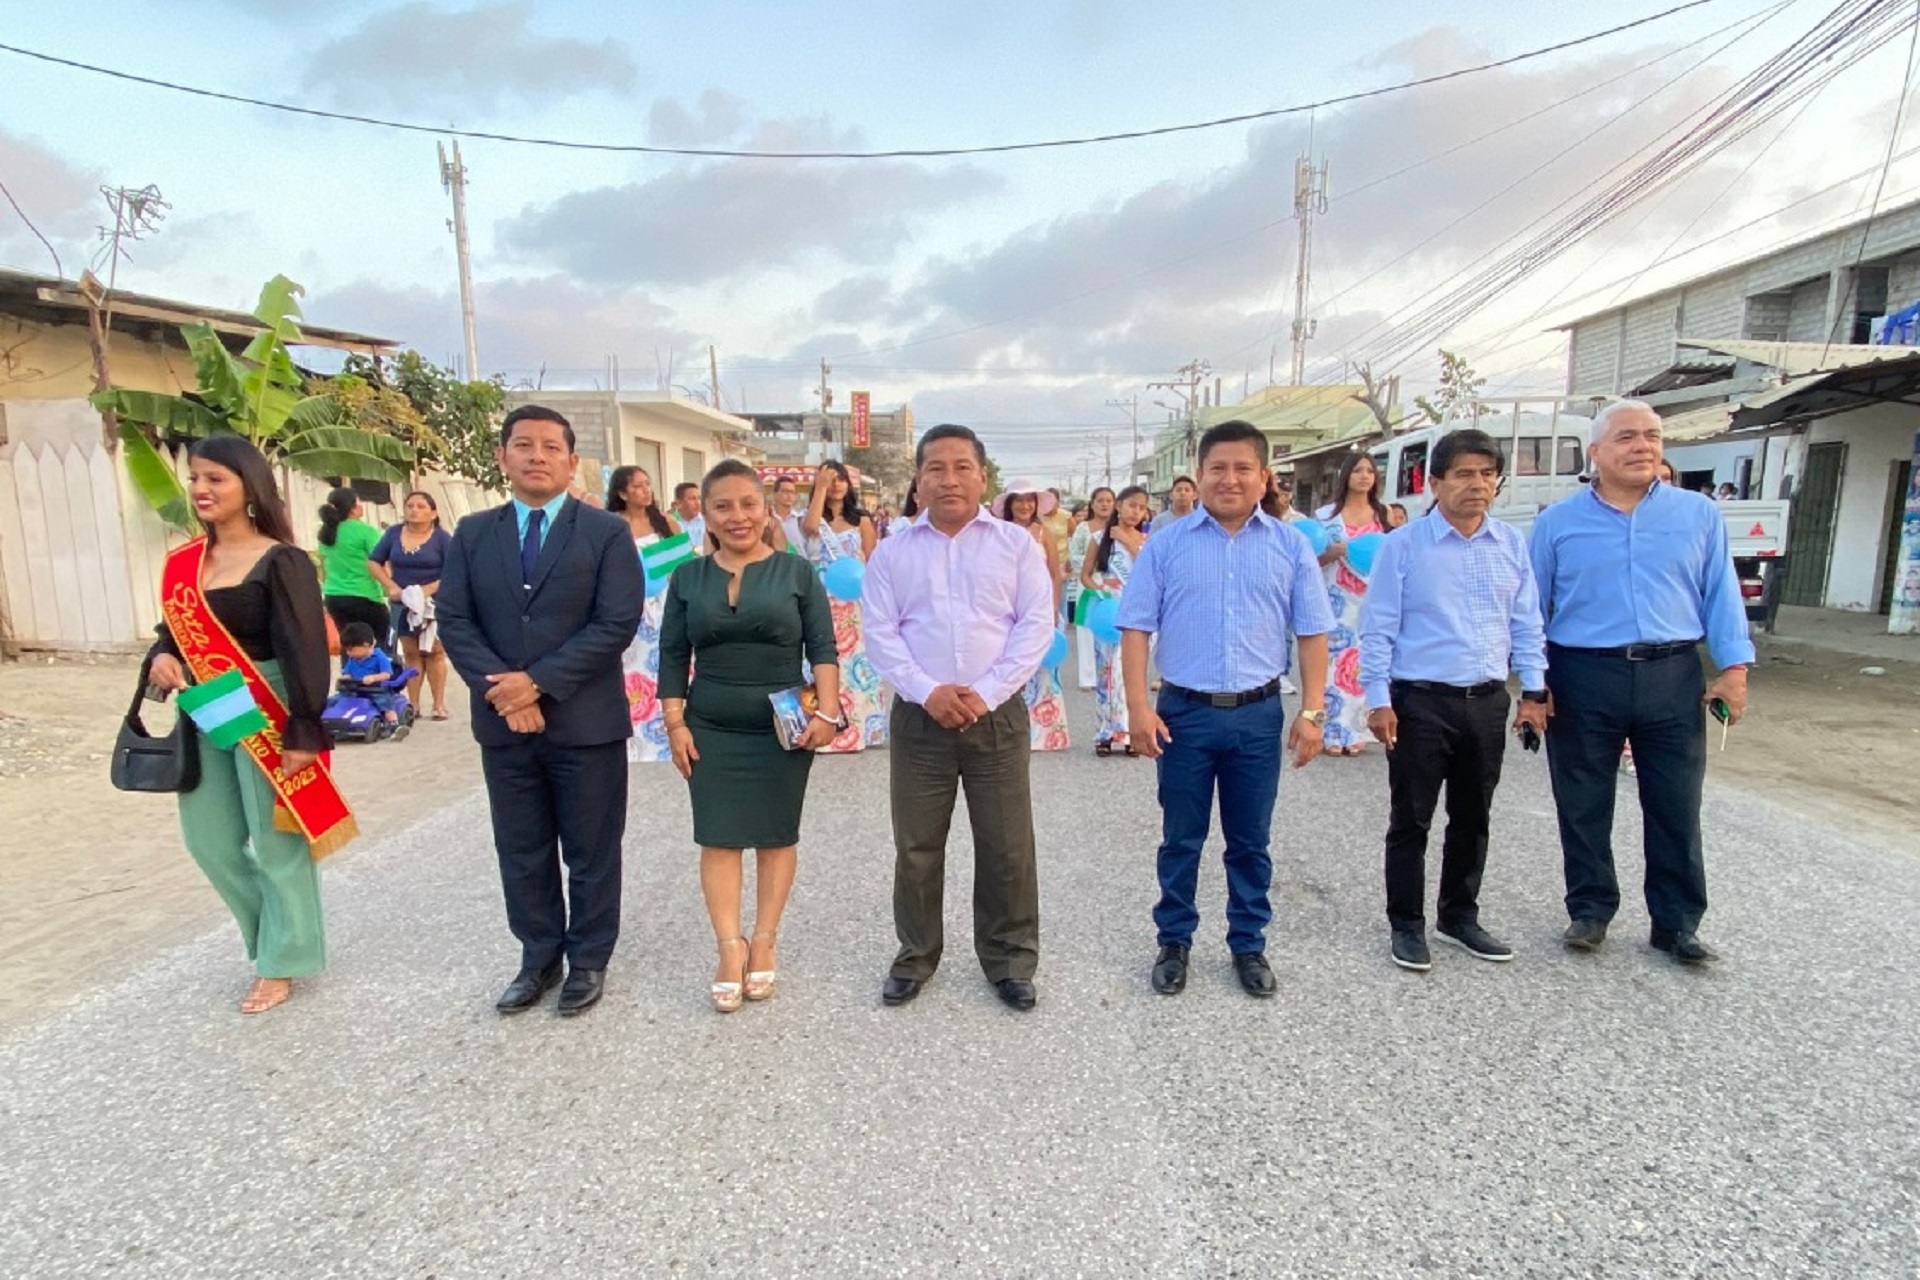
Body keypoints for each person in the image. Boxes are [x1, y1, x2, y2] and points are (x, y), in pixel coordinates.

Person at [437, 405, 645, 1017]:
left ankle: (589, 959)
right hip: (504, 725)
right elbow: (455, 619)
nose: (537, 456)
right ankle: (538, 957)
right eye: (523, 445)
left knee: (591, 848)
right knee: (521, 848)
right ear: (502, 457)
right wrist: (504, 693)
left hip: (585, 723)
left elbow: (616, 622)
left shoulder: (605, 533)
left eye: (551, 447)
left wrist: (536, 684)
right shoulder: (474, 533)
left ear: (571, 461)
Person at [1530, 400, 1753, 966]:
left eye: (1652, 436)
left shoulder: (1698, 515)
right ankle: (1590, 909)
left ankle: (1676, 924)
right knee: (1583, 799)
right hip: (1582, 673)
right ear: (1596, 452)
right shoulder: (1557, 523)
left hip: (1672, 674)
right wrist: (1534, 683)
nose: (1643, 446)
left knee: (1676, 801)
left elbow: (1721, 594)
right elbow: (1529, 609)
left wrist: (1734, 669)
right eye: (1627, 437)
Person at [1117, 420, 1332, 998]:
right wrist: (1138, 708)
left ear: (1264, 477)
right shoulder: (1167, 545)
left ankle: (1248, 943)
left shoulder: (1290, 546)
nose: (1229, 479)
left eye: (1243, 468)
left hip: (1258, 716)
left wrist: (1313, 712)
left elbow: (1313, 633)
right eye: (1218, 468)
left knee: (1250, 840)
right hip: (1183, 714)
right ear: (1200, 474)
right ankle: (1174, 941)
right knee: (1181, 837)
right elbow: (1135, 629)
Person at [145, 435, 352, 1015]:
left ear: (250, 486)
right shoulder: (184, 563)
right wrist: (160, 658)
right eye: (195, 478)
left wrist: (304, 727)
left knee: (276, 837)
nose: (201, 489)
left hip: (269, 702)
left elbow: (305, 648)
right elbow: (170, 635)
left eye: (216, 478)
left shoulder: (281, 560)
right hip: (206, 703)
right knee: (208, 840)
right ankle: (273, 936)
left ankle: (281, 957)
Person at [864, 424, 1055, 1012]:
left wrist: (987, 692)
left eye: (962, 467)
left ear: (982, 477)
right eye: (936, 468)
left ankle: (1010, 960)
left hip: (995, 715)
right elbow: (880, 633)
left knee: (1007, 846)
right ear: (918, 481)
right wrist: (927, 692)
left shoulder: (1015, 546)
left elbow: (1035, 624)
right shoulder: (893, 551)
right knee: (917, 845)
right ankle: (915, 955)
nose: (949, 479)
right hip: (920, 718)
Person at [1358, 429, 1549, 973]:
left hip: (1487, 701)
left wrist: (1534, 691)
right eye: (1464, 474)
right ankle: (1406, 924)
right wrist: (1378, 699)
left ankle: (1459, 916)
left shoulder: (1510, 544)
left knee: (1473, 816)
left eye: (1488, 474)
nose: (1477, 485)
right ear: (1435, 483)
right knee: (1411, 818)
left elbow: (1526, 623)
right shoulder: (1404, 546)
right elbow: (1378, 628)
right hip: (1420, 702)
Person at [660, 460, 842, 1012]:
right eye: (723, 506)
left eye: (747, 504)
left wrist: (828, 713)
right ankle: (728, 947)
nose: (736, 516)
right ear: (706, 515)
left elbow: (823, 648)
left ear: (765, 510)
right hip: (709, 726)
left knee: (775, 836)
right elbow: (673, 656)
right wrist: (675, 724)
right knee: (717, 838)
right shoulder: (687, 578)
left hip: (783, 727)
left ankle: (763, 939)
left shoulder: (796, 573)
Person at [800, 459, 888, 751]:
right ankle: (820, 723)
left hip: (852, 602)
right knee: (821, 658)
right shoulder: (813, 517)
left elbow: (872, 562)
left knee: (854, 661)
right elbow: (810, 529)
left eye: (840, 479)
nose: (836, 485)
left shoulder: (862, 520)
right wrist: (820, 489)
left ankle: (858, 727)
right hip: (820, 598)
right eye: (830, 479)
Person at [1314, 452, 1390, 756]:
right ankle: (1329, 730)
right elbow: (1309, 559)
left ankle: (1356, 730)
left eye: (1370, 471)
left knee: (1363, 664)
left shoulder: (1383, 514)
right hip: (1335, 598)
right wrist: (1330, 554)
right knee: (1332, 666)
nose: (1364, 476)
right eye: (1358, 470)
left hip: (1370, 600)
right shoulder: (1327, 517)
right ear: (1346, 475)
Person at [606, 465, 683, 764]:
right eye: (637, 486)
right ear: (622, 493)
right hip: (627, 606)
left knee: (666, 666)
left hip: (664, 605)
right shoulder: (612, 525)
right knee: (632, 672)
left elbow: (681, 569)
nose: (645, 491)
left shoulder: (666, 523)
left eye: (647, 484)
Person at [994, 480, 1071, 751]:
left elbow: (1054, 574)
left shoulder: (1043, 533)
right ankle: (1010, 731)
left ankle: (1045, 733)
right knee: (1010, 669)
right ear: (1010, 504)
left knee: (1044, 669)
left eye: (1030, 500)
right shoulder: (998, 533)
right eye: (1019, 500)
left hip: (1039, 609)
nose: (1025, 505)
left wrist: (1053, 609)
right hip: (1007, 610)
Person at [368, 490, 454, 721]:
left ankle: (438, 705)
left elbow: (456, 570)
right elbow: (374, 561)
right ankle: (413, 705)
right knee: (410, 652)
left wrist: (428, 590)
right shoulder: (393, 533)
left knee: (434, 652)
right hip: (402, 602)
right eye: (410, 506)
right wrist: (390, 586)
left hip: (434, 603)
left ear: (433, 513)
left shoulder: (442, 538)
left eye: (421, 506)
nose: (414, 510)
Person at [1081, 485, 1149, 755]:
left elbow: (1149, 571)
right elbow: (1085, 574)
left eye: (1141, 508)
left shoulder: (1146, 541)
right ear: (1119, 506)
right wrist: (1100, 590)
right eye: (1131, 505)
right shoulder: (1099, 538)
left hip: (1136, 613)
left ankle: (1131, 733)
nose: (1136, 512)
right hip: (1108, 613)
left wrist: (1128, 541)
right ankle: (1106, 732)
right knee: (1107, 672)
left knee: (1131, 673)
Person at [316, 486, 390, 649]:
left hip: (334, 596)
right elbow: (380, 562)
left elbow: (323, 563)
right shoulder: (366, 531)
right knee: (380, 645)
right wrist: (390, 587)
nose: (361, 506)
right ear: (352, 508)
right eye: (358, 502)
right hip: (365, 595)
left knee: (349, 646)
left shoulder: (326, 533)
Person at [1067, 488, 1114, 690]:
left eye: (1109, 500)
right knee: (1086, 629)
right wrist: (1092, 564)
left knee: (1109, 627)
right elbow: (1074, 555)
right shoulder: (1083, 528)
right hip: (1087, 580)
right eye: (1100, 500)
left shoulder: (1117, 528)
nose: (1104, 504)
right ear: (1092, 505)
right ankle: (1088, 678)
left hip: (1112, 582)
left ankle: (1109, 675)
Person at [337, 620, 409, 738]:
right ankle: (339, 719)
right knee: (338, 699)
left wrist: (374, 678)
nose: (348, 653)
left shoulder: (379, 657)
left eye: (351, 649)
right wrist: (346, 677)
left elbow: (387, 674)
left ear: (365, 645)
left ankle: (394, 724)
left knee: (384, 702)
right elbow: (348, 672)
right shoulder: (352, 659)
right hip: (356, 688)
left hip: (376, 689)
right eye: (347, 650)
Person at [769, 474, 811, 557]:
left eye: (792, 492)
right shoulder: (768, 518)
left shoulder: (800, 520)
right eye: (785, 491)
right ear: (775, 494)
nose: (789, 496)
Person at [673, 482, 707, 551]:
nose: (698, 503)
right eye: (692, 499)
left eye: (699, 498)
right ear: (679, 503)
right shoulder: (672, 525)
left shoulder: (708, 522)